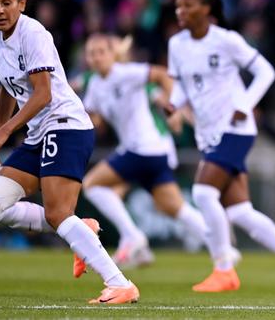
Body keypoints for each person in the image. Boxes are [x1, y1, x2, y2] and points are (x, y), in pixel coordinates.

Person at [0, 0, 139, 304]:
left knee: (56, 213)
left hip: (65, 125)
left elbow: (43, 94)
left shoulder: (34, 34)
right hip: (38, 132)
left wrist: (4, 133)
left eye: (7, 2)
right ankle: (82, 228)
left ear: (21, 3)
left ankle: (120, 283)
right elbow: (6, 89)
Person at [167, 0, 275, 293]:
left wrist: (245, 104)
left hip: (235, 129)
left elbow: (266, 71)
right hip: (208, 131)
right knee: (239, 212)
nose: (181, 11)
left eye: (188, 5)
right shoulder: (177, 45)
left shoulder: (226, 40)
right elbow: (183, 85)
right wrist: (173, 103)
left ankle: (224, 268)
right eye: (178, 6)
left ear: (207, 9)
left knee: (203, 193)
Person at [78, 33, 210, 270]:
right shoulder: (96, 85)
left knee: (93, 185)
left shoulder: (127, 74)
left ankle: (132, 237)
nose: (96, 58)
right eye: (91, 53)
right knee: (173, 206)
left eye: (100, 52)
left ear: (111, 54)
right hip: (146, 151)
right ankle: (221, 243)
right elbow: (95, 119)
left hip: (144, 148)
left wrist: (174, 108)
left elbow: (161, 76)